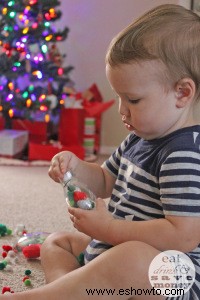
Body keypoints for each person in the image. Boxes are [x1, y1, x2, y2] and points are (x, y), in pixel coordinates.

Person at [1, 3, 200, 300]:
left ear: (182, 93)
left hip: (168, 278)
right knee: (56, 242)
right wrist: (75, 167)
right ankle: (70, 292)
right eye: (119, 97)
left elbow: (183, 235)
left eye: (133, 99)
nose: (122, 110)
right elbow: (106, 181)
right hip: (112, 253)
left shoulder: (184, 154)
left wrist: (110, 228)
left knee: (133, 256)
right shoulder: (137, 139)